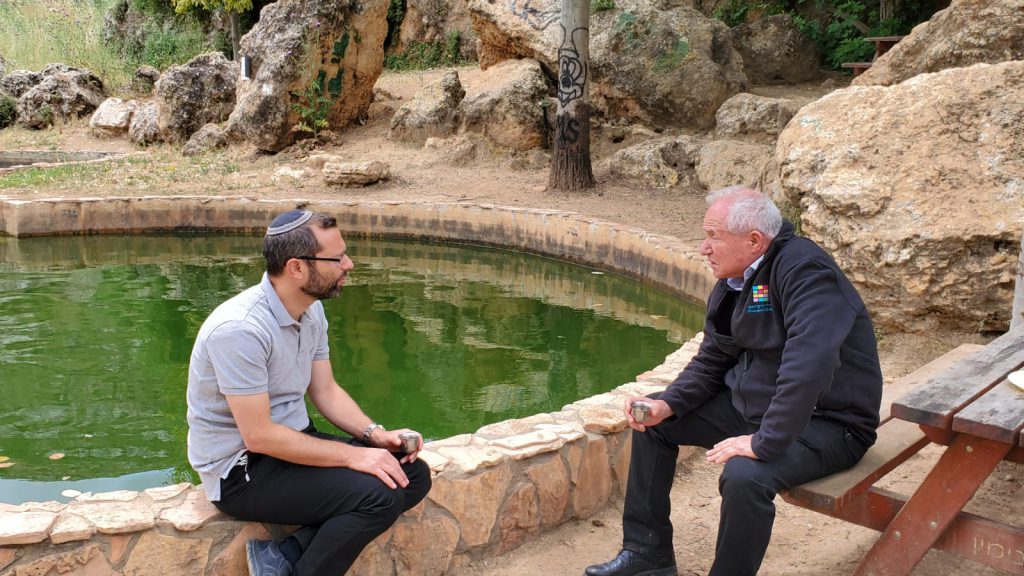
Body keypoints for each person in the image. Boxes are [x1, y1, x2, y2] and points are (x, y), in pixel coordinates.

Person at [585, 187, 883, 576]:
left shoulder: (807, 273)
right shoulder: (736, 279)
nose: (703, 249)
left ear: (754, 240)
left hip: (829, 424)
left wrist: (765, 442)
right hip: (761, 409)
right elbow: (713, 357)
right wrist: (668, 402)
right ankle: (647, 554)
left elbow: (808, 366)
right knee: (655, 424)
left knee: (745, 475)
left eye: (713, 237)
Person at [186, 210, 431, 576]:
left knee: (412, 476)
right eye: (337, 258)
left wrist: (375, 436)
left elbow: (326, 390)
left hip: (291, 444)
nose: (348, 264)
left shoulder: (311, 310)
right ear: (296, 267)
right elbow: (259, 436)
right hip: (240, 471)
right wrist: (351, 458)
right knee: (379, 495)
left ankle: (284, 556)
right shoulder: (239, 330)